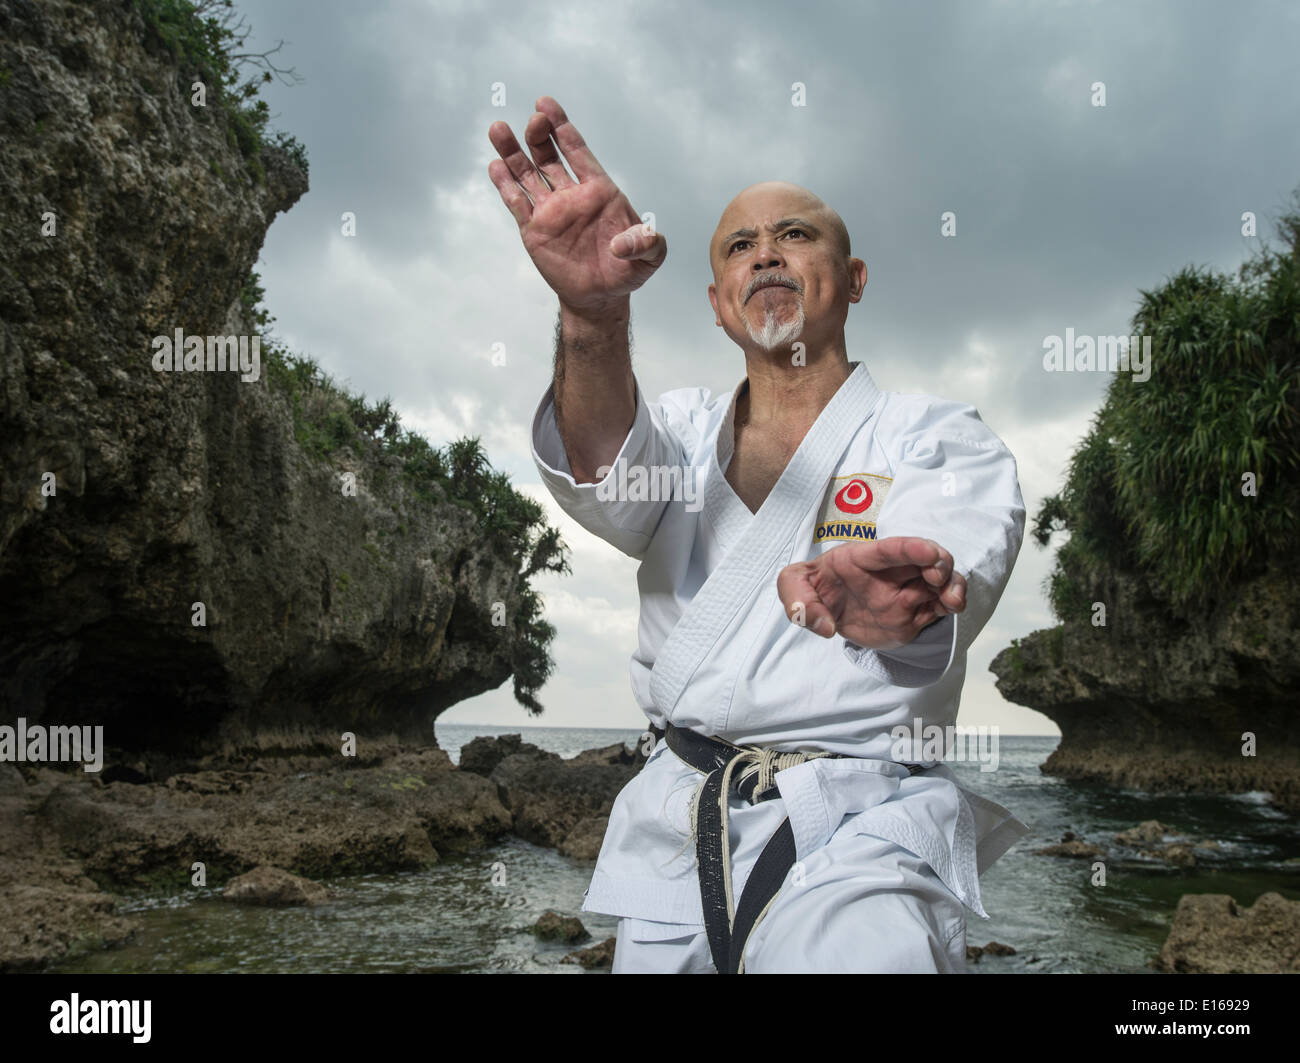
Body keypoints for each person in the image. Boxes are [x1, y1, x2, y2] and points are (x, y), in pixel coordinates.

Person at [488, 96, 1029, 974]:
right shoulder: (680, 432)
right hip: (679, 827)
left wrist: (893, 601)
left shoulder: (936, 436)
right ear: (715, 303)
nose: (766, 252)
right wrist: (592, 316)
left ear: (853, 279)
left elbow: (951, 559)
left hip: (862, 825)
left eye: (795, 235)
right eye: (741, 245)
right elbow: (600, 475)